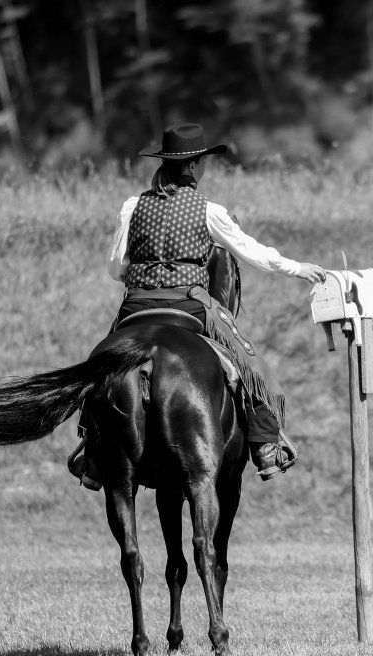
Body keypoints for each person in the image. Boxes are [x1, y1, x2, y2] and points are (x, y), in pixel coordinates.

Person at [69, 123, 326, 488]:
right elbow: (249, 251)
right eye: (203, 162)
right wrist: (297, 268)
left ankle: (93, 452)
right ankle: (266, 445)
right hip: (189, 304)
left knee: (98, 369)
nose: (204, 168)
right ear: (191, 166)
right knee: (252, 365)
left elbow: (115, 269)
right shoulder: (209, 210)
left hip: (137, 305)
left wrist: (143, 273)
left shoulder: (132, 206)